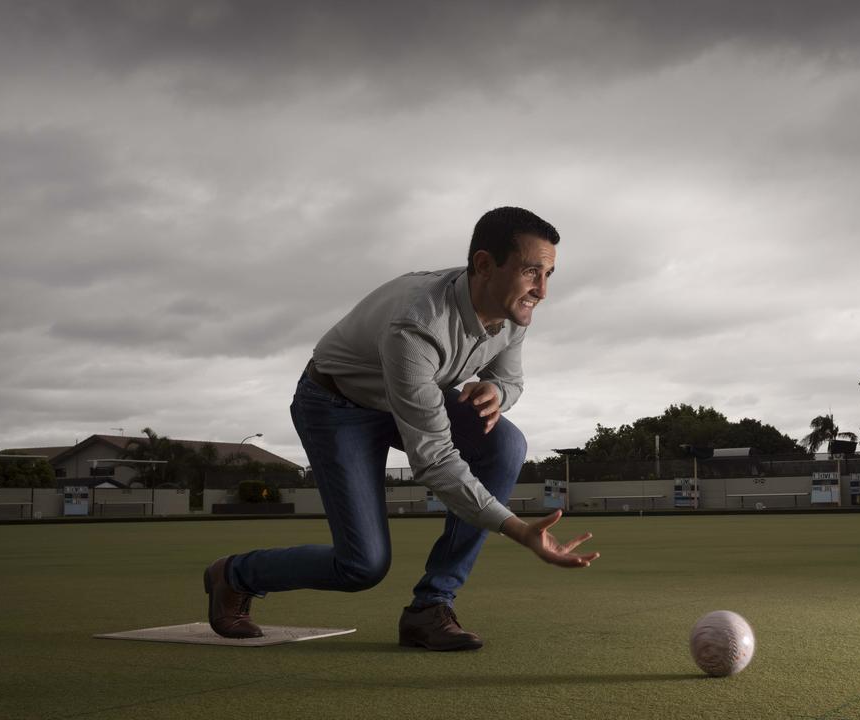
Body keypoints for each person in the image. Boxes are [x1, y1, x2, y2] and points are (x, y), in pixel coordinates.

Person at [203, 206, 599, 651]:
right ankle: (234, 574)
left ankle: (431, 606)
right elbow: (433, 461)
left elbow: (510, 378)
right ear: (485, 265)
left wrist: (497, 392)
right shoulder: (416, 325)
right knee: (361, 566)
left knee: (505, 442)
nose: (542, 290)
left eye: (548, 274)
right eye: (531, 272)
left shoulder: (513, 309)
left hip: (409, 397)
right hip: (336, 406)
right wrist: (516, 529)